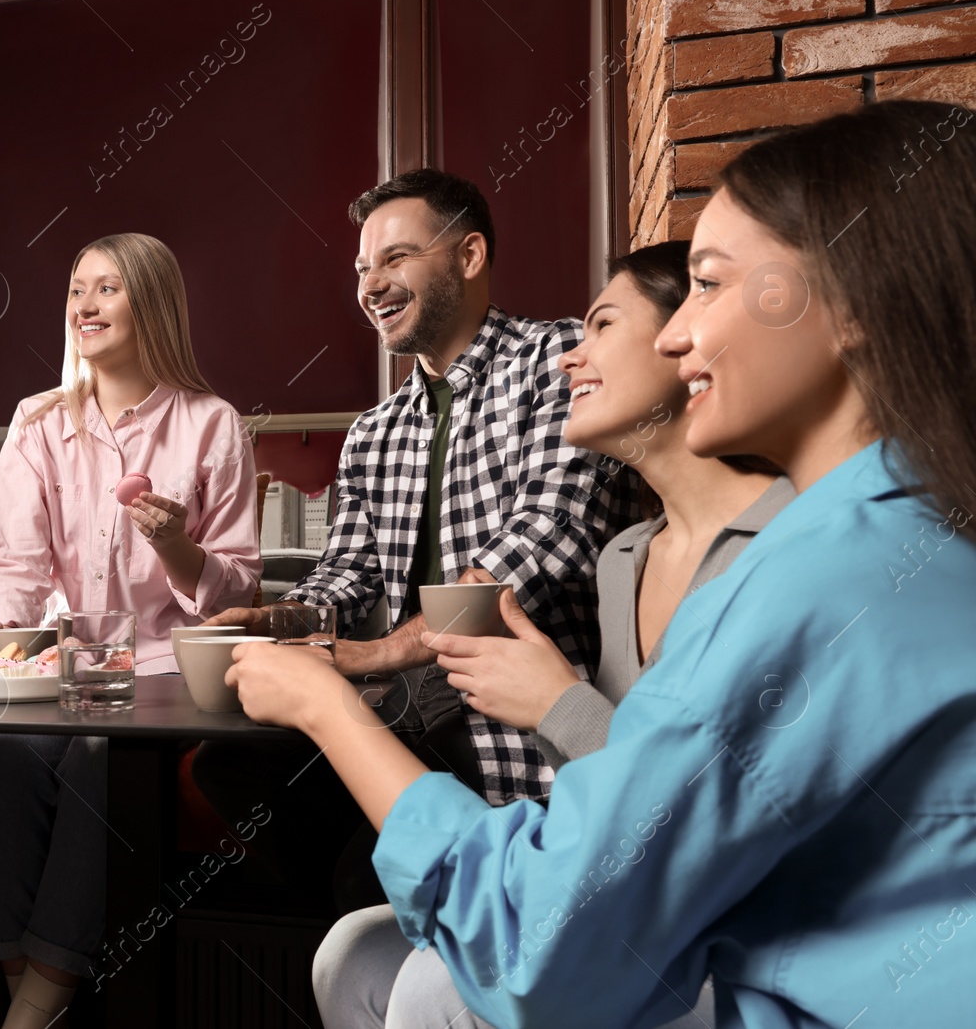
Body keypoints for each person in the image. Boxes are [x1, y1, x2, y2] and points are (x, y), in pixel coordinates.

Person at [229, 100, 976, 1028]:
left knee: (409, 957)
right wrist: (282, 623)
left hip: (559, 832)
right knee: (333, 911)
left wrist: (332, 697)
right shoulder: (907, 530)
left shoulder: (808, 580)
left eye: (706, 284)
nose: (673, 337)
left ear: (853, 301)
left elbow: (538, 950)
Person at [312, 241, 793, 1028]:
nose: (571, 356)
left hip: (732, 927)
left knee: (432, 984)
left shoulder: (785, 545)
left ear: (686, 342)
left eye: (602, 325)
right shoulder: (624, 559)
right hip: (622, 877)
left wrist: (553, 702)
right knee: (353, 949)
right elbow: (609, 794)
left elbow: (712, 816)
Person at [194, 169, 640, 910]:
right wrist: (276, 621)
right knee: (226, 767)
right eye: (364, 268)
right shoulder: (374, 431)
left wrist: (370, 654)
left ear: (468, 256)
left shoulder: (556, 361)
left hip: (510, 712)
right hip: (409, 707)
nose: (371, 284)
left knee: (358, 877)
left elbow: (542, 541)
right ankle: (411, 913)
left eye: (395, 258)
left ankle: (418, 911)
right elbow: (346, 576)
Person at [0, 233, 261, 1028]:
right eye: (75, 289)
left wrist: (177, 547)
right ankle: (21, 981)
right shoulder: (37, 423)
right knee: (6, 751)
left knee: (102, 753)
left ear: (153, 302)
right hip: (67, 663)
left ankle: (31, 1008)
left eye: (107, 289)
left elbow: (239, 586)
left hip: (166, 673)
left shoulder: (212, 423)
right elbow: (11, 565)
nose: (84, 305)